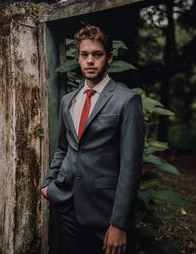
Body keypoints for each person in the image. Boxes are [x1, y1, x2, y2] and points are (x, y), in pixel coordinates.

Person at [41, 24, 144, 254]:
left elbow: (131, 166)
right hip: (67, 207)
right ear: (78, 58)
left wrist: (119, 223)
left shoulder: (127, 100)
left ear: (109, 57)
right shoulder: (69, 100)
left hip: (105, 214)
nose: (90, 61)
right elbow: (63, 148)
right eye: (84, 54)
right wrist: (47, 185)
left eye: (97, 54)